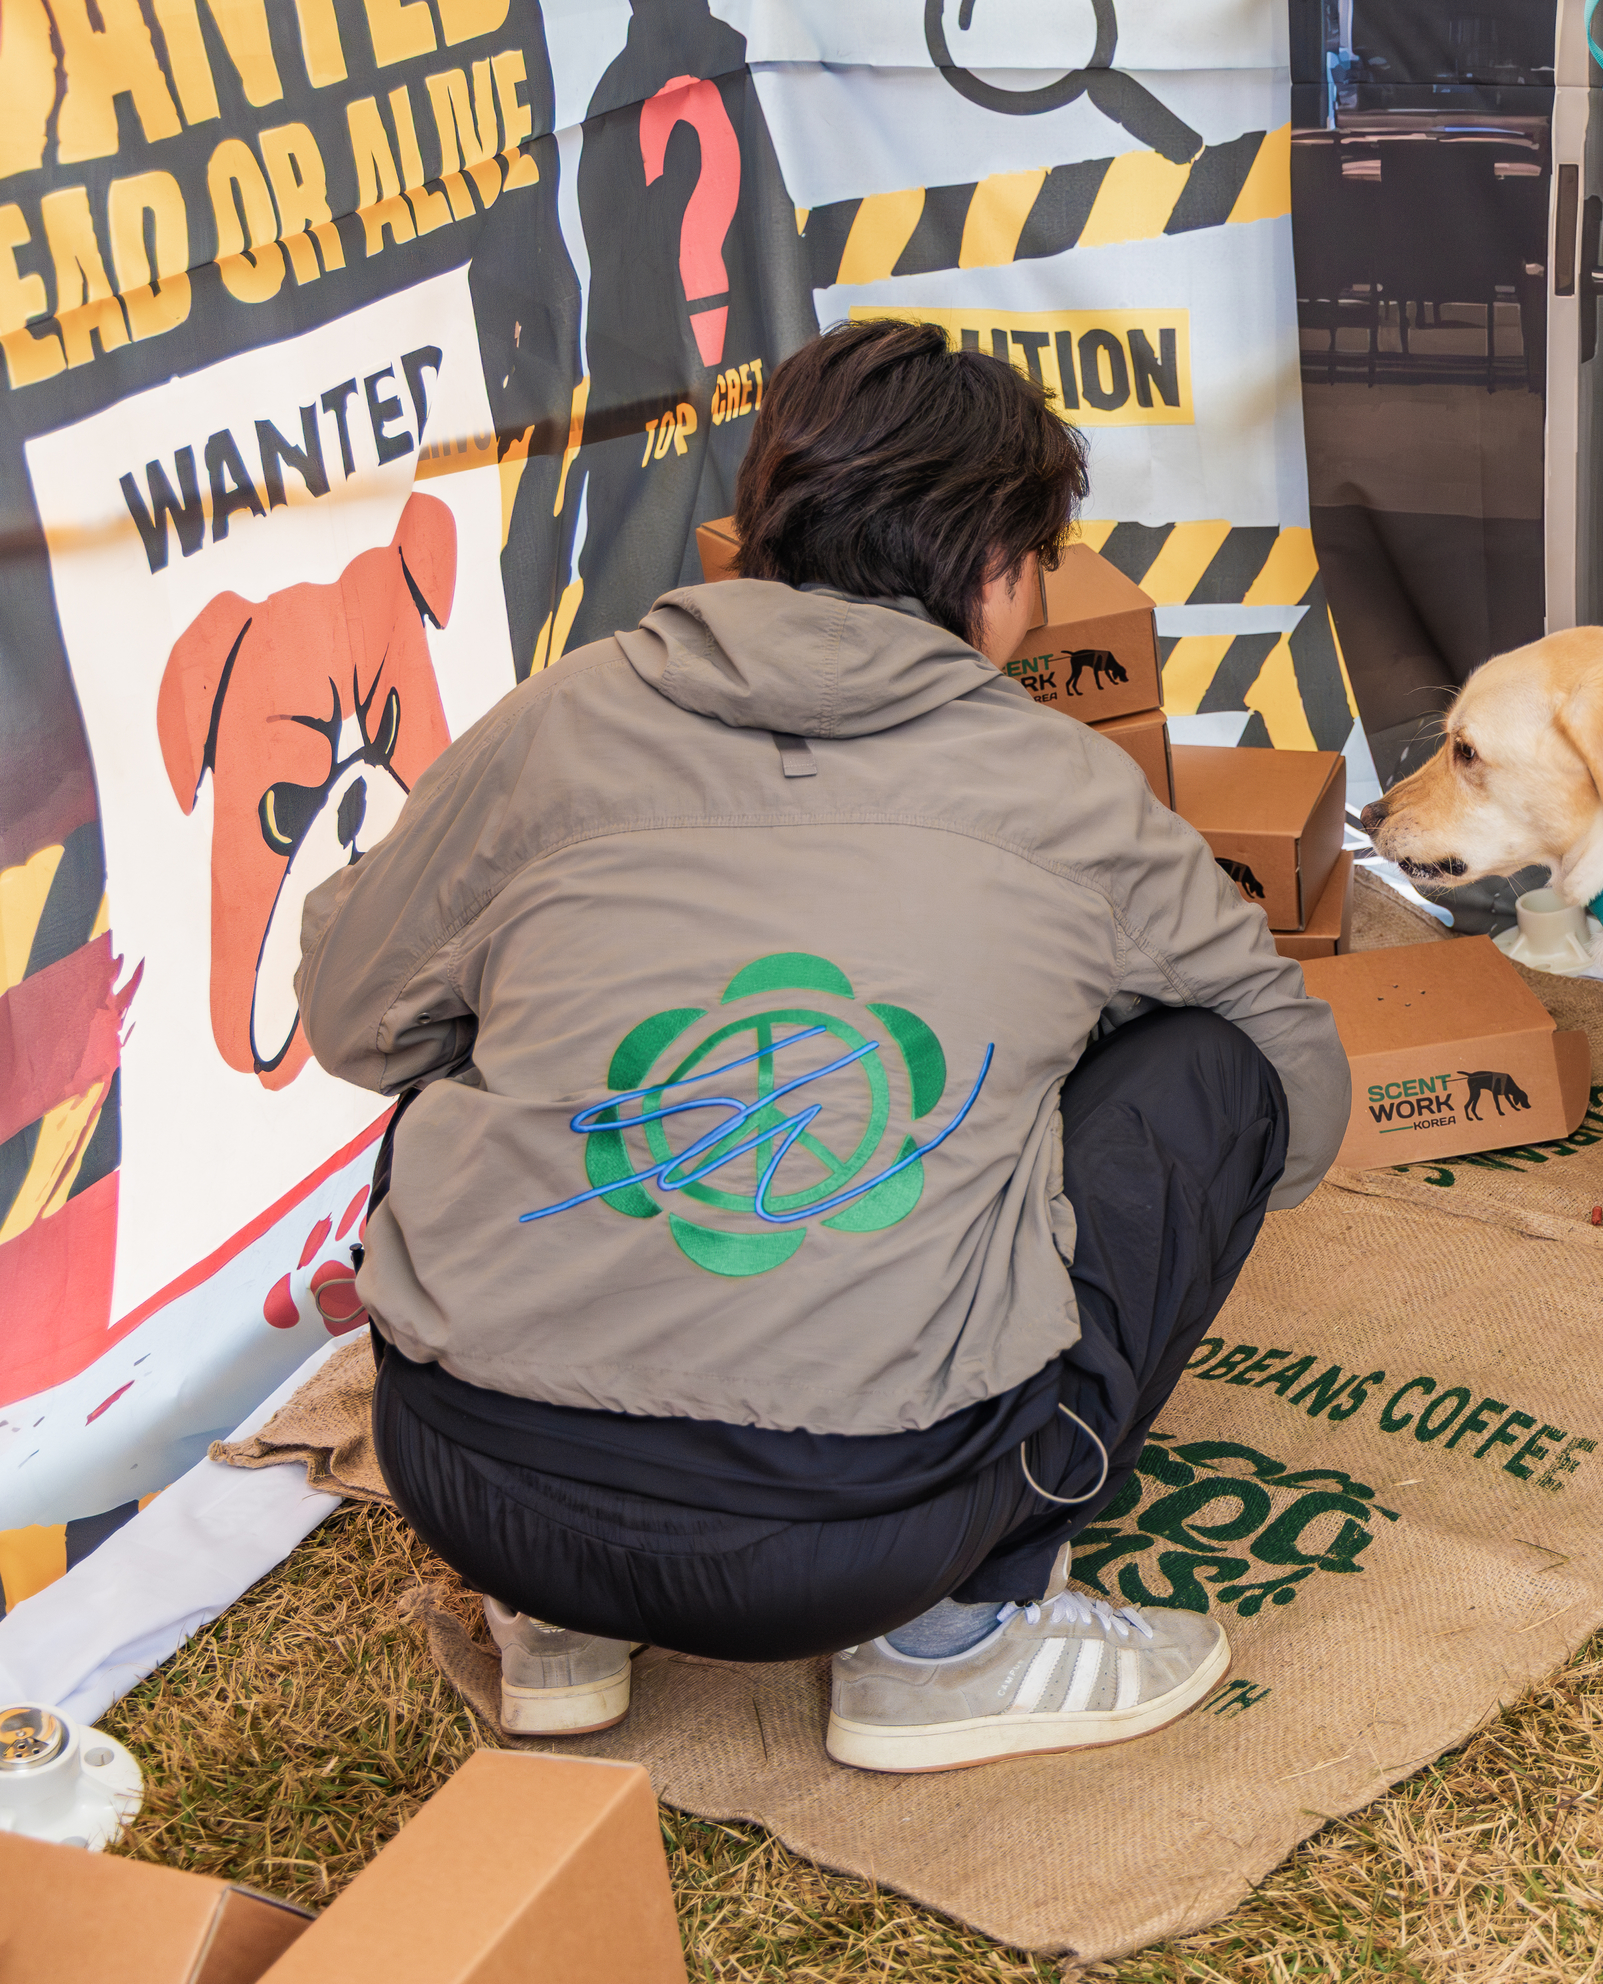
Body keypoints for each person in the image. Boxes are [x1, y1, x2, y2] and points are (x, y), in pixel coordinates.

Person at [295, 319, 1350, 1773]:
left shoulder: (557, 718)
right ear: (999, 567)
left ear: (770, 515)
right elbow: (1293, 1083)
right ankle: (952, 1642)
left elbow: (350, 1013)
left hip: (474, 1481)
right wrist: (1029, 1103)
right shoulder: (1067, 789)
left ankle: (554, 1625)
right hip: (866, 1540)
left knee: (454, 1024)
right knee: (1209, 1075)